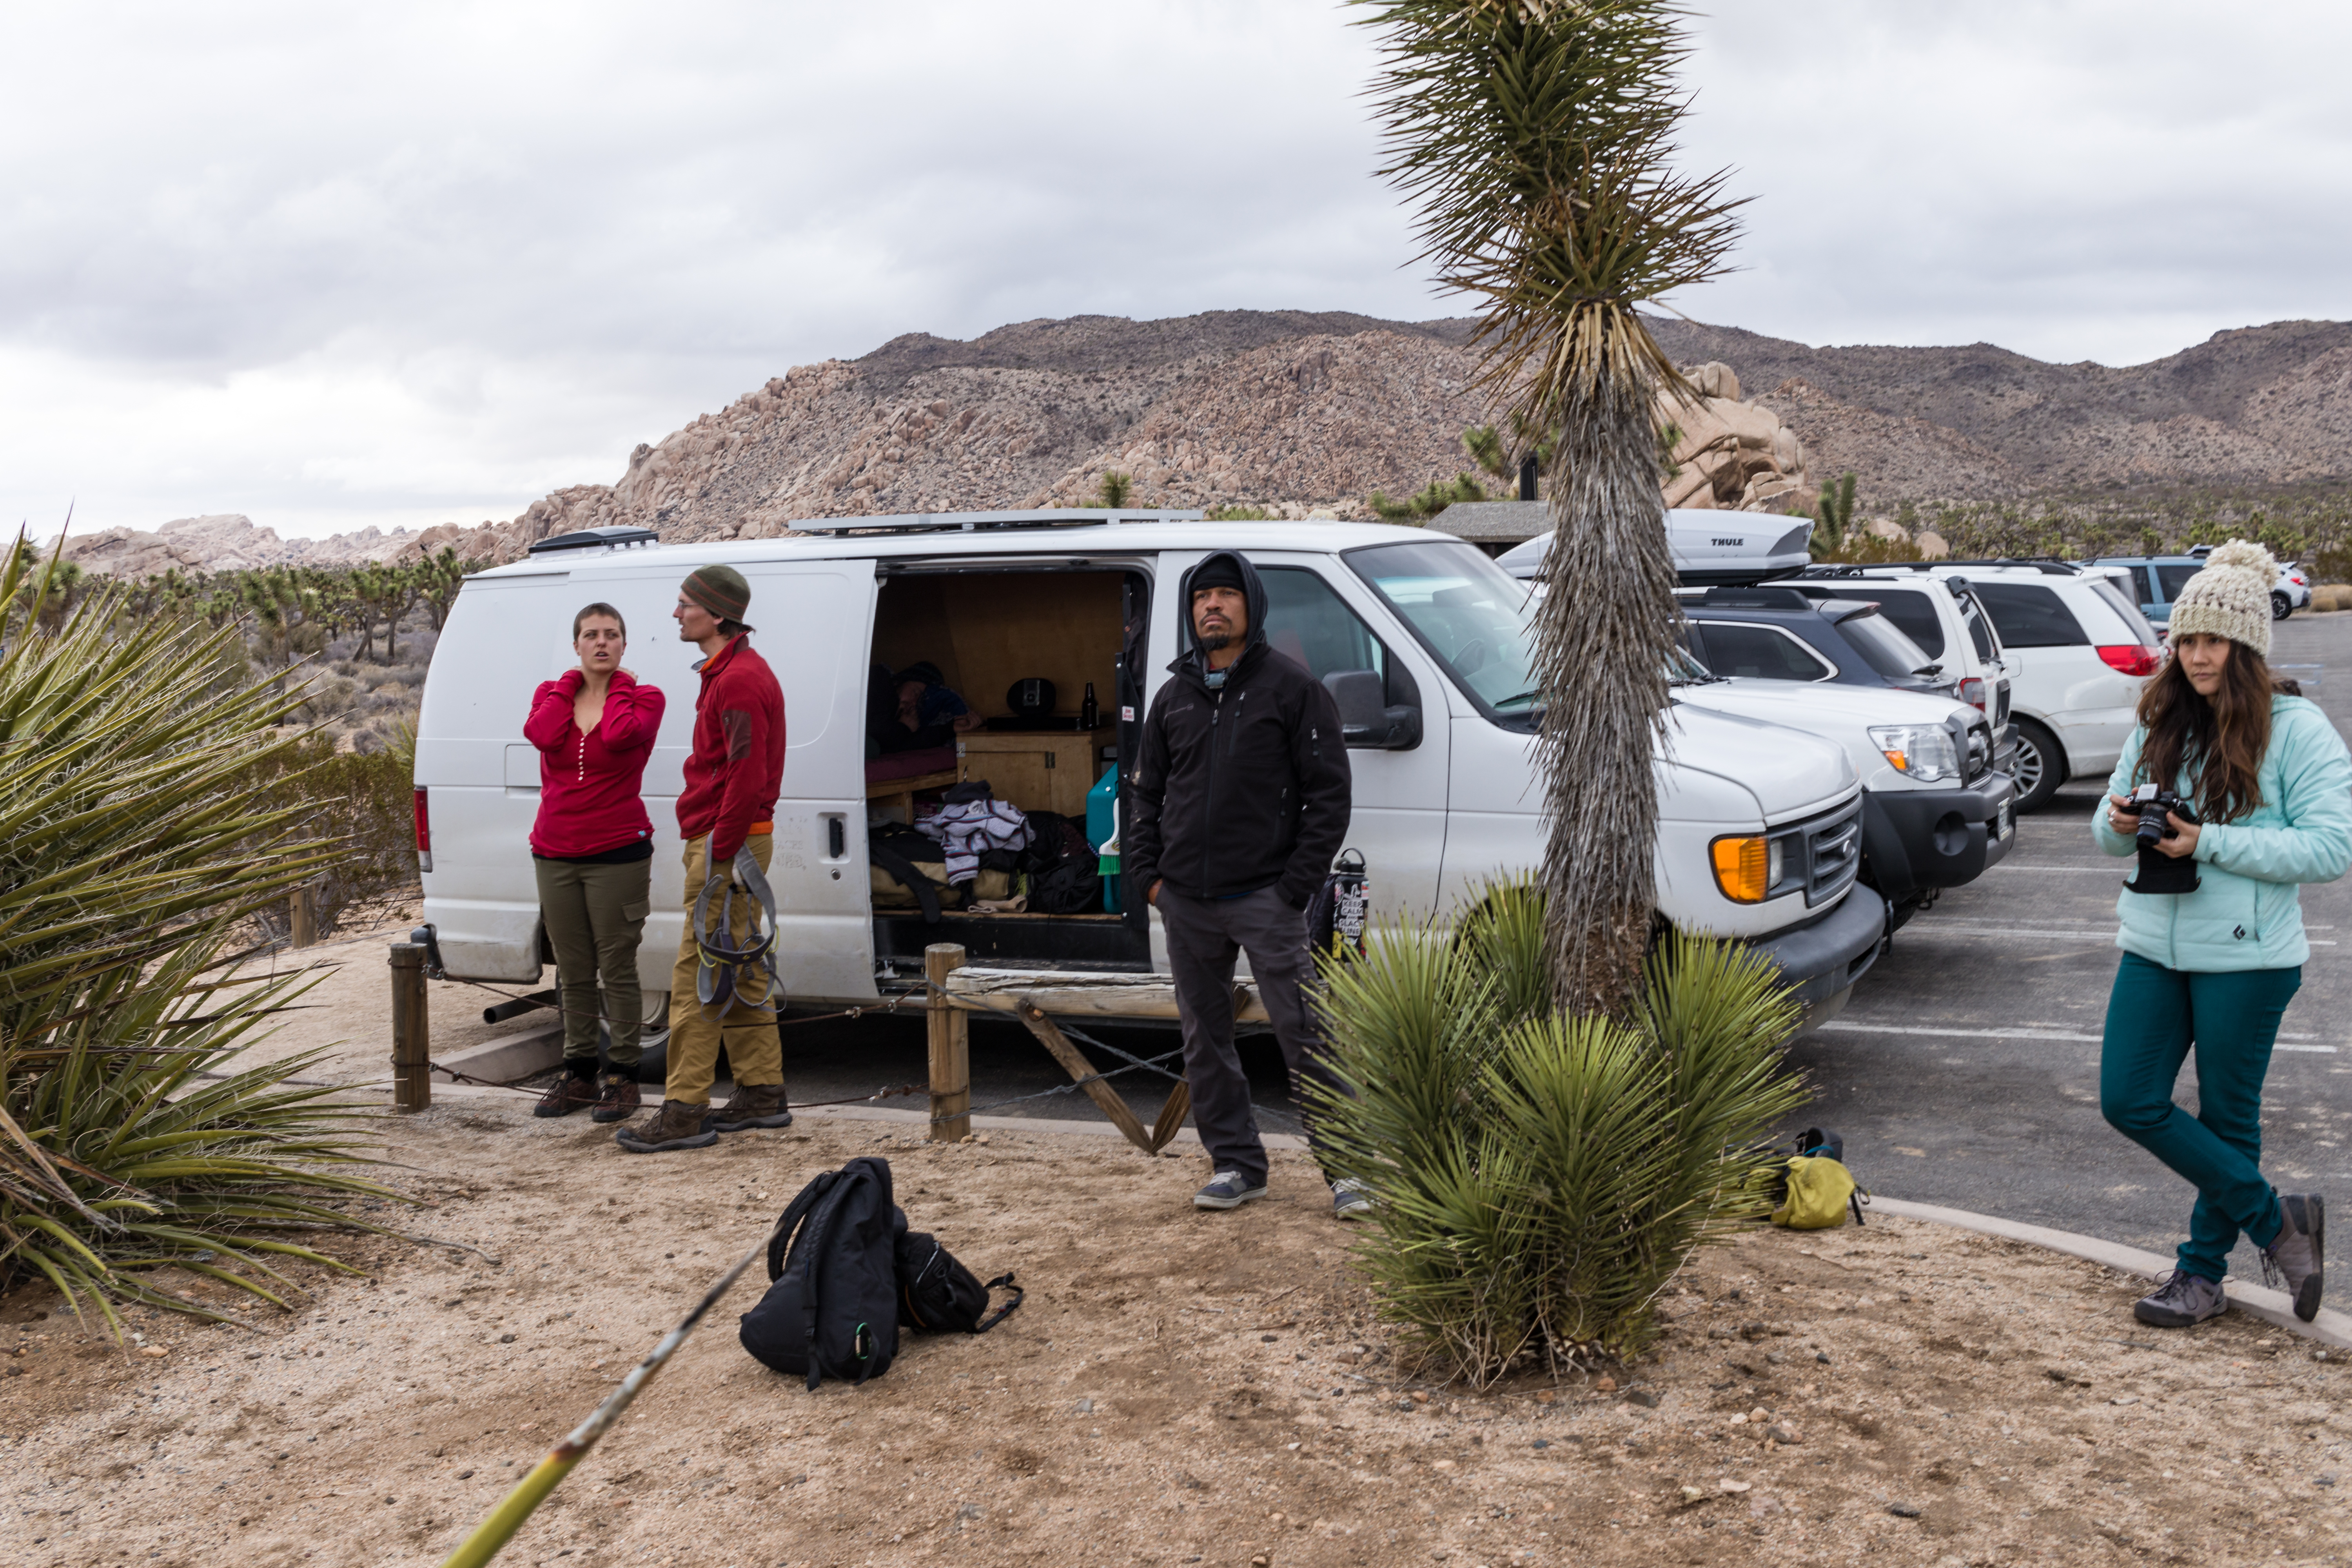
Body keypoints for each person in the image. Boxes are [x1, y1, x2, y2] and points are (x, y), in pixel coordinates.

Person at [2095, 539, 2350, 1327]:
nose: (2197, 656)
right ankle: (2278, 1222)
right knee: (2128, 1098)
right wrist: (2117, 822)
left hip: (2249, 957)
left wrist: (2209, 841)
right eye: (2186, 639)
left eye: (2213, 641)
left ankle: (2201, 1274)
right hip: (2153, 944)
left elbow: (2331, 845)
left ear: (2244, 647)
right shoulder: (2160, 720)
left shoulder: (2297, 729)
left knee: (2226, 1119)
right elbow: (2108, 837)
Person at [1126, 550, 1361, 1218]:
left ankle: (1350, 1171)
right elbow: (1145, 797)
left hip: (1267, 900)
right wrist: (1150, 882)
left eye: (1227, 595)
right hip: (1187, 903)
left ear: (1251, 607)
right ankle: (1236, 1164)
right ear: (1190, 610)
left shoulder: (1294, 691)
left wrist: (1294, 887)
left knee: (1306, 1032)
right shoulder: (1173, 698)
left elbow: (1329, 797)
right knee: (1205, 1041)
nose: (1213, 606)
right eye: (1203, 597)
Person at [617, 564, 795, 1153]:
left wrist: (721, 848)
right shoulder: (733, 670)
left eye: (685, 603)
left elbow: (745, 774)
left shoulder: (740, 679)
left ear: (716, 614)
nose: (676, 613)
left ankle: (684, 1111)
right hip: (736, 837)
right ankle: (763, 1093)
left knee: (697, 973)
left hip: (729, 840)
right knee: (739, 964)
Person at [523, 603, 666, 1123]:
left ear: (625, 645)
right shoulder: (552, 696)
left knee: (617, 965)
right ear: (577, 644)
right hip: (555, 851)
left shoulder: (646, 698)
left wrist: (619, 686)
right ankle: (579, 1074)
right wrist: (569, 685)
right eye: (590, 635)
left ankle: (623, 1078)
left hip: (618, 853)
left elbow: (620, 737)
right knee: (573, 967)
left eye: (611, 635)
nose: (601, 643)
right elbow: (540, 735)